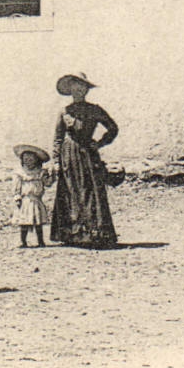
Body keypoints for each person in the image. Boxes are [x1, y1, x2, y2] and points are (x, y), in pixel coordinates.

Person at [50, 72, 119, 248]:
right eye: (75, 86)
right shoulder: (64, 112)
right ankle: (72, 235)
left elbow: (113, 128)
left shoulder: (95, 110)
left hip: (88, 154)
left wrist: (101, 143)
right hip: (69, 155)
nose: (79, 89)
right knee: (70, 191)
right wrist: (56, 161)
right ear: (70, 89)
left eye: (82, 86)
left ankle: (95, 234)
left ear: (86, 90)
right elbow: (58, 138)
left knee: (91, 191)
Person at [10, 144, 50, 248]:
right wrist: (17, 198)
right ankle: (23, 241)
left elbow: (47, 183)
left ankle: (40, 241)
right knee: (24, 222)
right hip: (25, 201)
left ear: (37, 160)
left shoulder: (40, 173)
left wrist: (52, 176)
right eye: (26, 159)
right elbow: (16, 187)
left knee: (38, 222)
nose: (28, 161)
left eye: (31, 159)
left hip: (36, 200)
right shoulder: (20, 173)